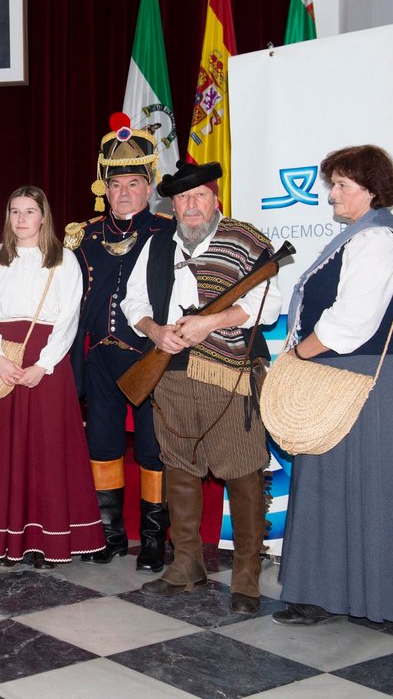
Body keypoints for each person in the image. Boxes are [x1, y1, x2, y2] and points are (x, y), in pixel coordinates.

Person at [121, 161, 280, 615]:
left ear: (215, 200)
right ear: (173, 205)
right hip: (169, 370)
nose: (191, 206)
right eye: (182, 199)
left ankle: (247, 574)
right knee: (180, 469)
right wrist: (155, 331)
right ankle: (186, 564)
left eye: (200, 197)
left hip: (229, 372)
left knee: (243, 471)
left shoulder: (246, 241)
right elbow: (134, 302)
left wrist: (212, 320)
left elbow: (270, 304)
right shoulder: (155, 244)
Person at [273, 145, 393, 627]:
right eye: (332, 184)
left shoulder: (375, 241)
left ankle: (374, 599)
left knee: (362, 486)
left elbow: (352, 322)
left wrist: (298, 354)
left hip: (356, 379)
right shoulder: (359, 237)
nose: (331, 194)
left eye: (341, 186)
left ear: (371, 191)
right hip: (339, 375)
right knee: (329, 486)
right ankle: (325, 593)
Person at [0, 186, 104, 567]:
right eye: (15, 211)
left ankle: (50, 542)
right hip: (3, 361)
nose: (22, 219)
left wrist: (42, 365)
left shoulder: (63, 260)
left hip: (46, 363)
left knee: (47, 450)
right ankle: (3, 541)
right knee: (4, 451)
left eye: (30, 211)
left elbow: (67, 320)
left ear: (44, 217)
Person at [65, 114, 175, 572]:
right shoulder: (83, 236)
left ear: (150, 187)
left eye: (133, 183)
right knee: (104, 444)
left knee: (152, 448)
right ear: (104, 189)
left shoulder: (167, 232)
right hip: (97, 357)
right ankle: (110, 534)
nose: (124, 192)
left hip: (149, 357)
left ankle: (153, 539)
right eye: (116, 185)